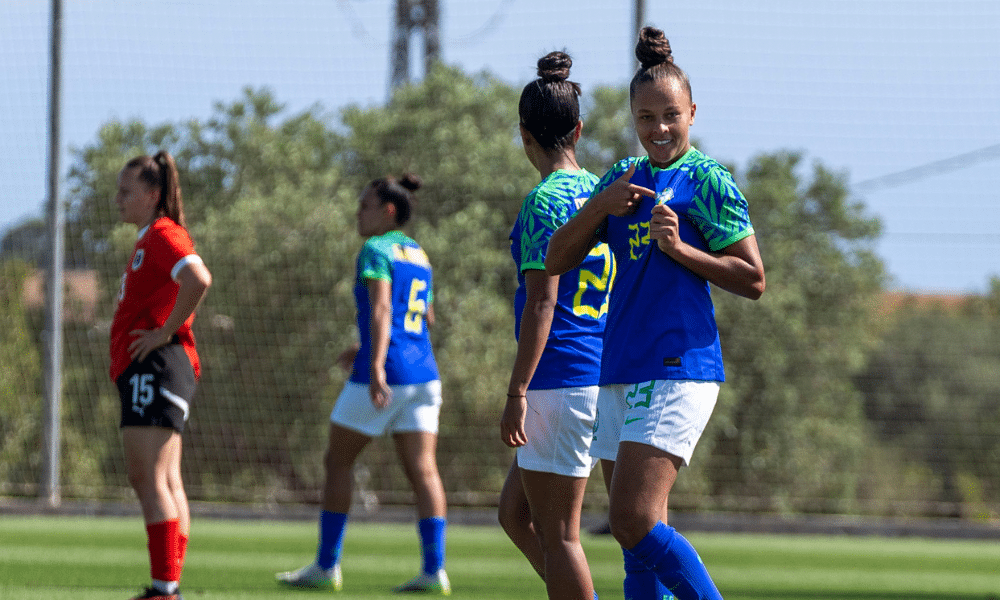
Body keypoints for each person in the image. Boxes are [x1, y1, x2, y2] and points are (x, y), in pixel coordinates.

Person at [545, 27, 766, 600]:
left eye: (671, 115)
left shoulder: (708, 180)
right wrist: (597, 206)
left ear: (692, 111)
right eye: (646, 118)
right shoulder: (623, 178)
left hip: (678, 366)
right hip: (619, 366)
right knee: (634, 539)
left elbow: (754, 278)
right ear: (632, 119)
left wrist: (682, 250)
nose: (659, 129)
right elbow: (555, 258)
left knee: (634, 520)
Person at [276, 173, 450, 595]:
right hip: (425, 373)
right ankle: (435, 572)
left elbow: (383, 309)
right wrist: (366, 346)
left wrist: (374, 365)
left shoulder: (376, 248)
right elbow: (423, 318)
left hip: (386, 372)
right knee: (424, 472)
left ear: (387, 211)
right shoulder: (418, 253)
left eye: (364, 205)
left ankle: (326, 566)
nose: (358, 212)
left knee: (337, 462)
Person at [496, 51, 611, 600]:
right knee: (514, 513)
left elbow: (542, 303)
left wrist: (517, 389)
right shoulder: (601, 191)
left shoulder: (544, 202)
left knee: (562, 535)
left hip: (559, 377)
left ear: (524, 135)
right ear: (579, 129)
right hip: (601, 373)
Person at [111, 151, 213, 600]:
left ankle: (164, 589)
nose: (118, 199)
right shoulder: (148, 238)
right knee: (167, 481)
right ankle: (168, 584)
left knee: (148, 479)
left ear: (153, 196)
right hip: (162, 367)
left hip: (158, 366)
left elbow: (198, 278)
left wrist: (163, 333)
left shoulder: (162, 234)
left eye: (126, 191)